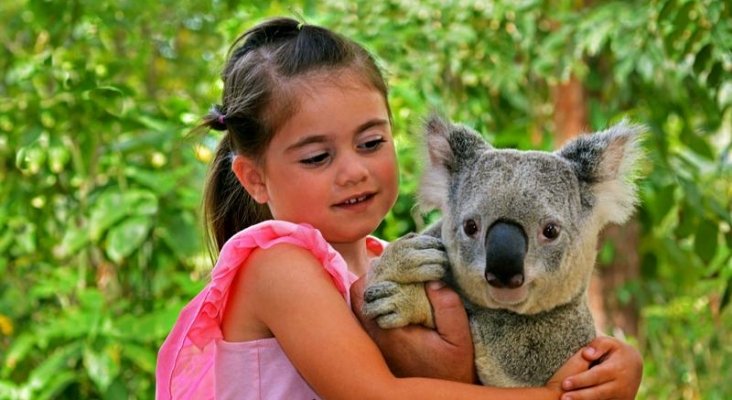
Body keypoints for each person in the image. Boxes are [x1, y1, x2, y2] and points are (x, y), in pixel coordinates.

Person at [155, 17, 642, 400]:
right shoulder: (279, 266)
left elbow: (482, 366)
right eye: (318, 157)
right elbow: (376, 394)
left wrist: (608, 370)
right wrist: (550, 397)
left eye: (370, 142)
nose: (353, 171)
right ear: (255, 178)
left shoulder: (401, 259)